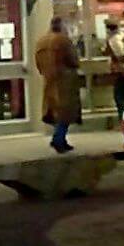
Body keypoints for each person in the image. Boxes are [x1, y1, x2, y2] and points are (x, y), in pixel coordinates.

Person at [35, 17, 82, 153]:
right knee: (65, 113)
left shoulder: (41, 42)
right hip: (64, 81)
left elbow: (38, 62)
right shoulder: (63, 41)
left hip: (49, 80)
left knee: (54, 111)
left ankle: (60, 139)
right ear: (61, 26)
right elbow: (73, 60)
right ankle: (58, 139)